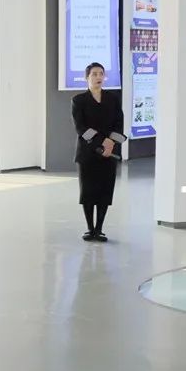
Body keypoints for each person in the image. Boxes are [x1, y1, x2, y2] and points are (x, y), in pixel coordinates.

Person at [71, 62, 124, 242]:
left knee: (104, 191)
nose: (98, 77)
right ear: (87, 77)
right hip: (88, 153)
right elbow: (80, 128)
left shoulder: (113, 99)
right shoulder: (78, 100)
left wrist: (111, 143)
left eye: (101, 73)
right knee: (88, 192)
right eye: (94, 74)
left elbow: (119, 123)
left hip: (109, 153)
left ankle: (99, 229)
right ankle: (90, 229)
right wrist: (102, 142)